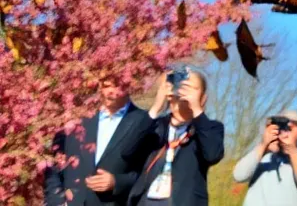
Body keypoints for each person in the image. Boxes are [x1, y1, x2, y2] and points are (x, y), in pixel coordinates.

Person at [43, 76, 152, 205]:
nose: (110, 92)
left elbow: (149, 172)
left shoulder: (144, 122)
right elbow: (55, 164)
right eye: (106, 86)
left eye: (116, 85)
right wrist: (57, 200)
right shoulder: (79, 119)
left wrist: (117, 182)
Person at [127, 67, 225, 204]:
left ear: (203, 98)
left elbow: (213, 154)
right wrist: (157, 106)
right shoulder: (155, 125)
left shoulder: (209, 129)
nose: (183, 92)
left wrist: (196, 109)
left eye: (191, 88)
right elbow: (128, 151)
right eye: (181, 86)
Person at [232, 109, 297, 205]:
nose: (284, 131)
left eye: (289, 127)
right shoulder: (263, 153)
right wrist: (263, 145)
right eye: (281, 126)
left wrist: (292, 151)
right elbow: (239, 176)